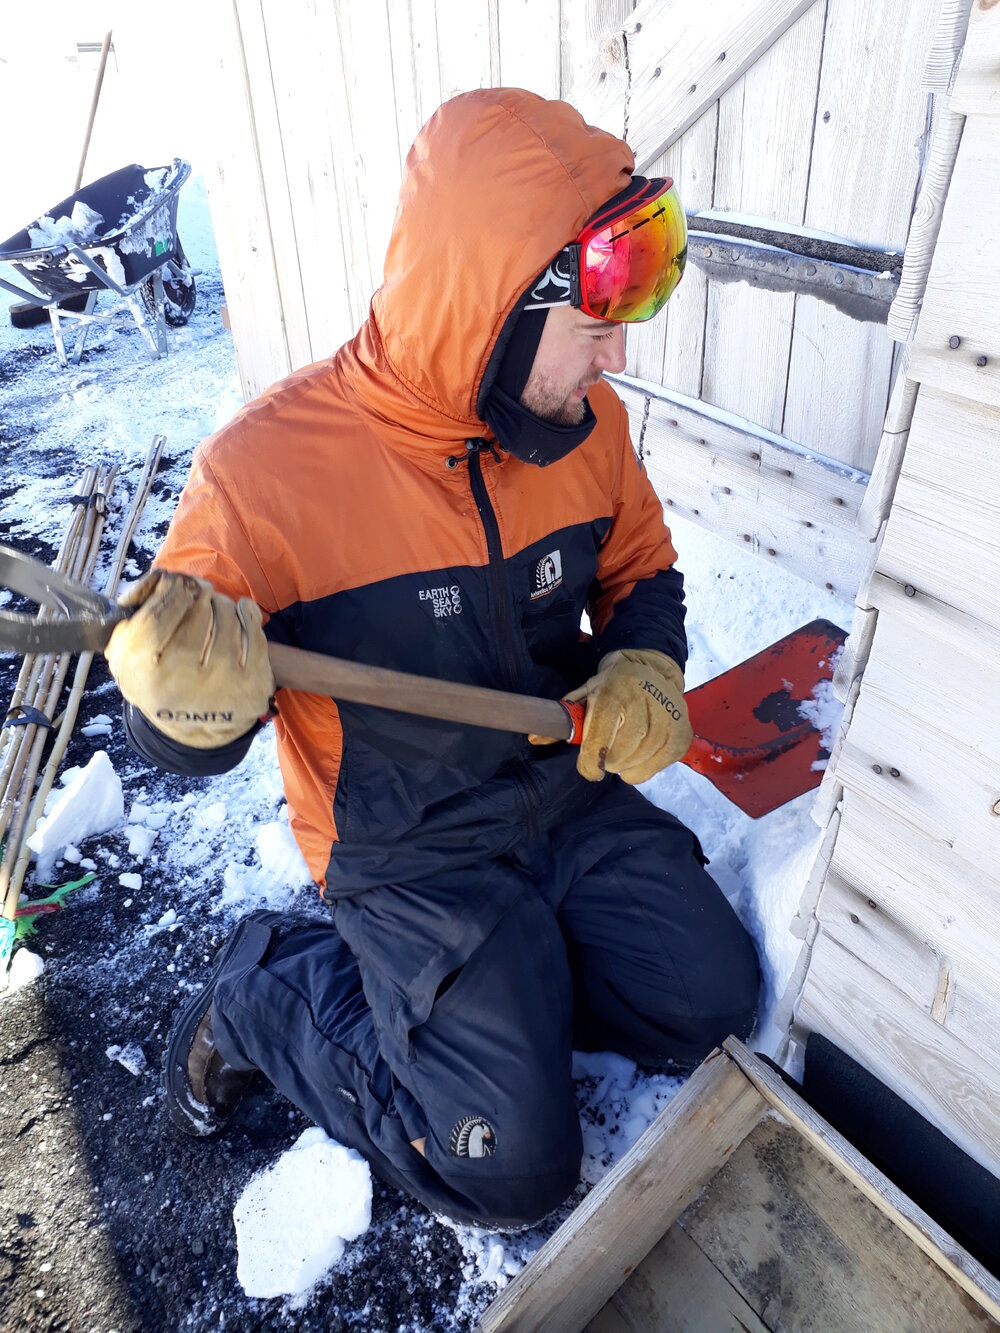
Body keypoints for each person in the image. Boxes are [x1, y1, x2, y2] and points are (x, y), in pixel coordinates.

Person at [105, 88, 760, 1228]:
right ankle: (261, 989)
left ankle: (510, 991)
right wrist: (181, 700)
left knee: (707, 1001)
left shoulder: (579, 428)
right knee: (508, 1167)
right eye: (597, 311)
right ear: (498, 301)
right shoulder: (264, 477)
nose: (618, 347)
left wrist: (645, 664)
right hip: (411, 853)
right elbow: (169, 735)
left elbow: (642, 569)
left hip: (565, 799)